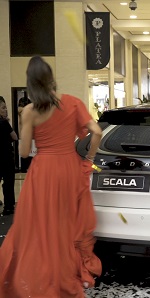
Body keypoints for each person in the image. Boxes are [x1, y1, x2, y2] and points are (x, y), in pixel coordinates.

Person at [0, 56, 103, 297]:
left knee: (38, 227)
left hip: (43, 171)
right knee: (63, 227)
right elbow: (96, 132)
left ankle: (41, 276)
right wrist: (88, 158)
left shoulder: (29, 111)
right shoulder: (73, 102)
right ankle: (63, 274)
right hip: (68, 167)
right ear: (52, 79)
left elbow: (24, 152)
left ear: (31, 83)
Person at [0, 96, 18, 216]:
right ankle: (9, 207)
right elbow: (15, 137)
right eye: (3, 108)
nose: (6, 110)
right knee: (8, 182)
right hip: (5, 157)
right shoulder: (4, 123)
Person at [18, 91, 33, 172]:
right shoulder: (22, 110)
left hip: (30, 135)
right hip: (23, 135)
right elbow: (19, 110)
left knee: (30, 156)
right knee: (24, 156)